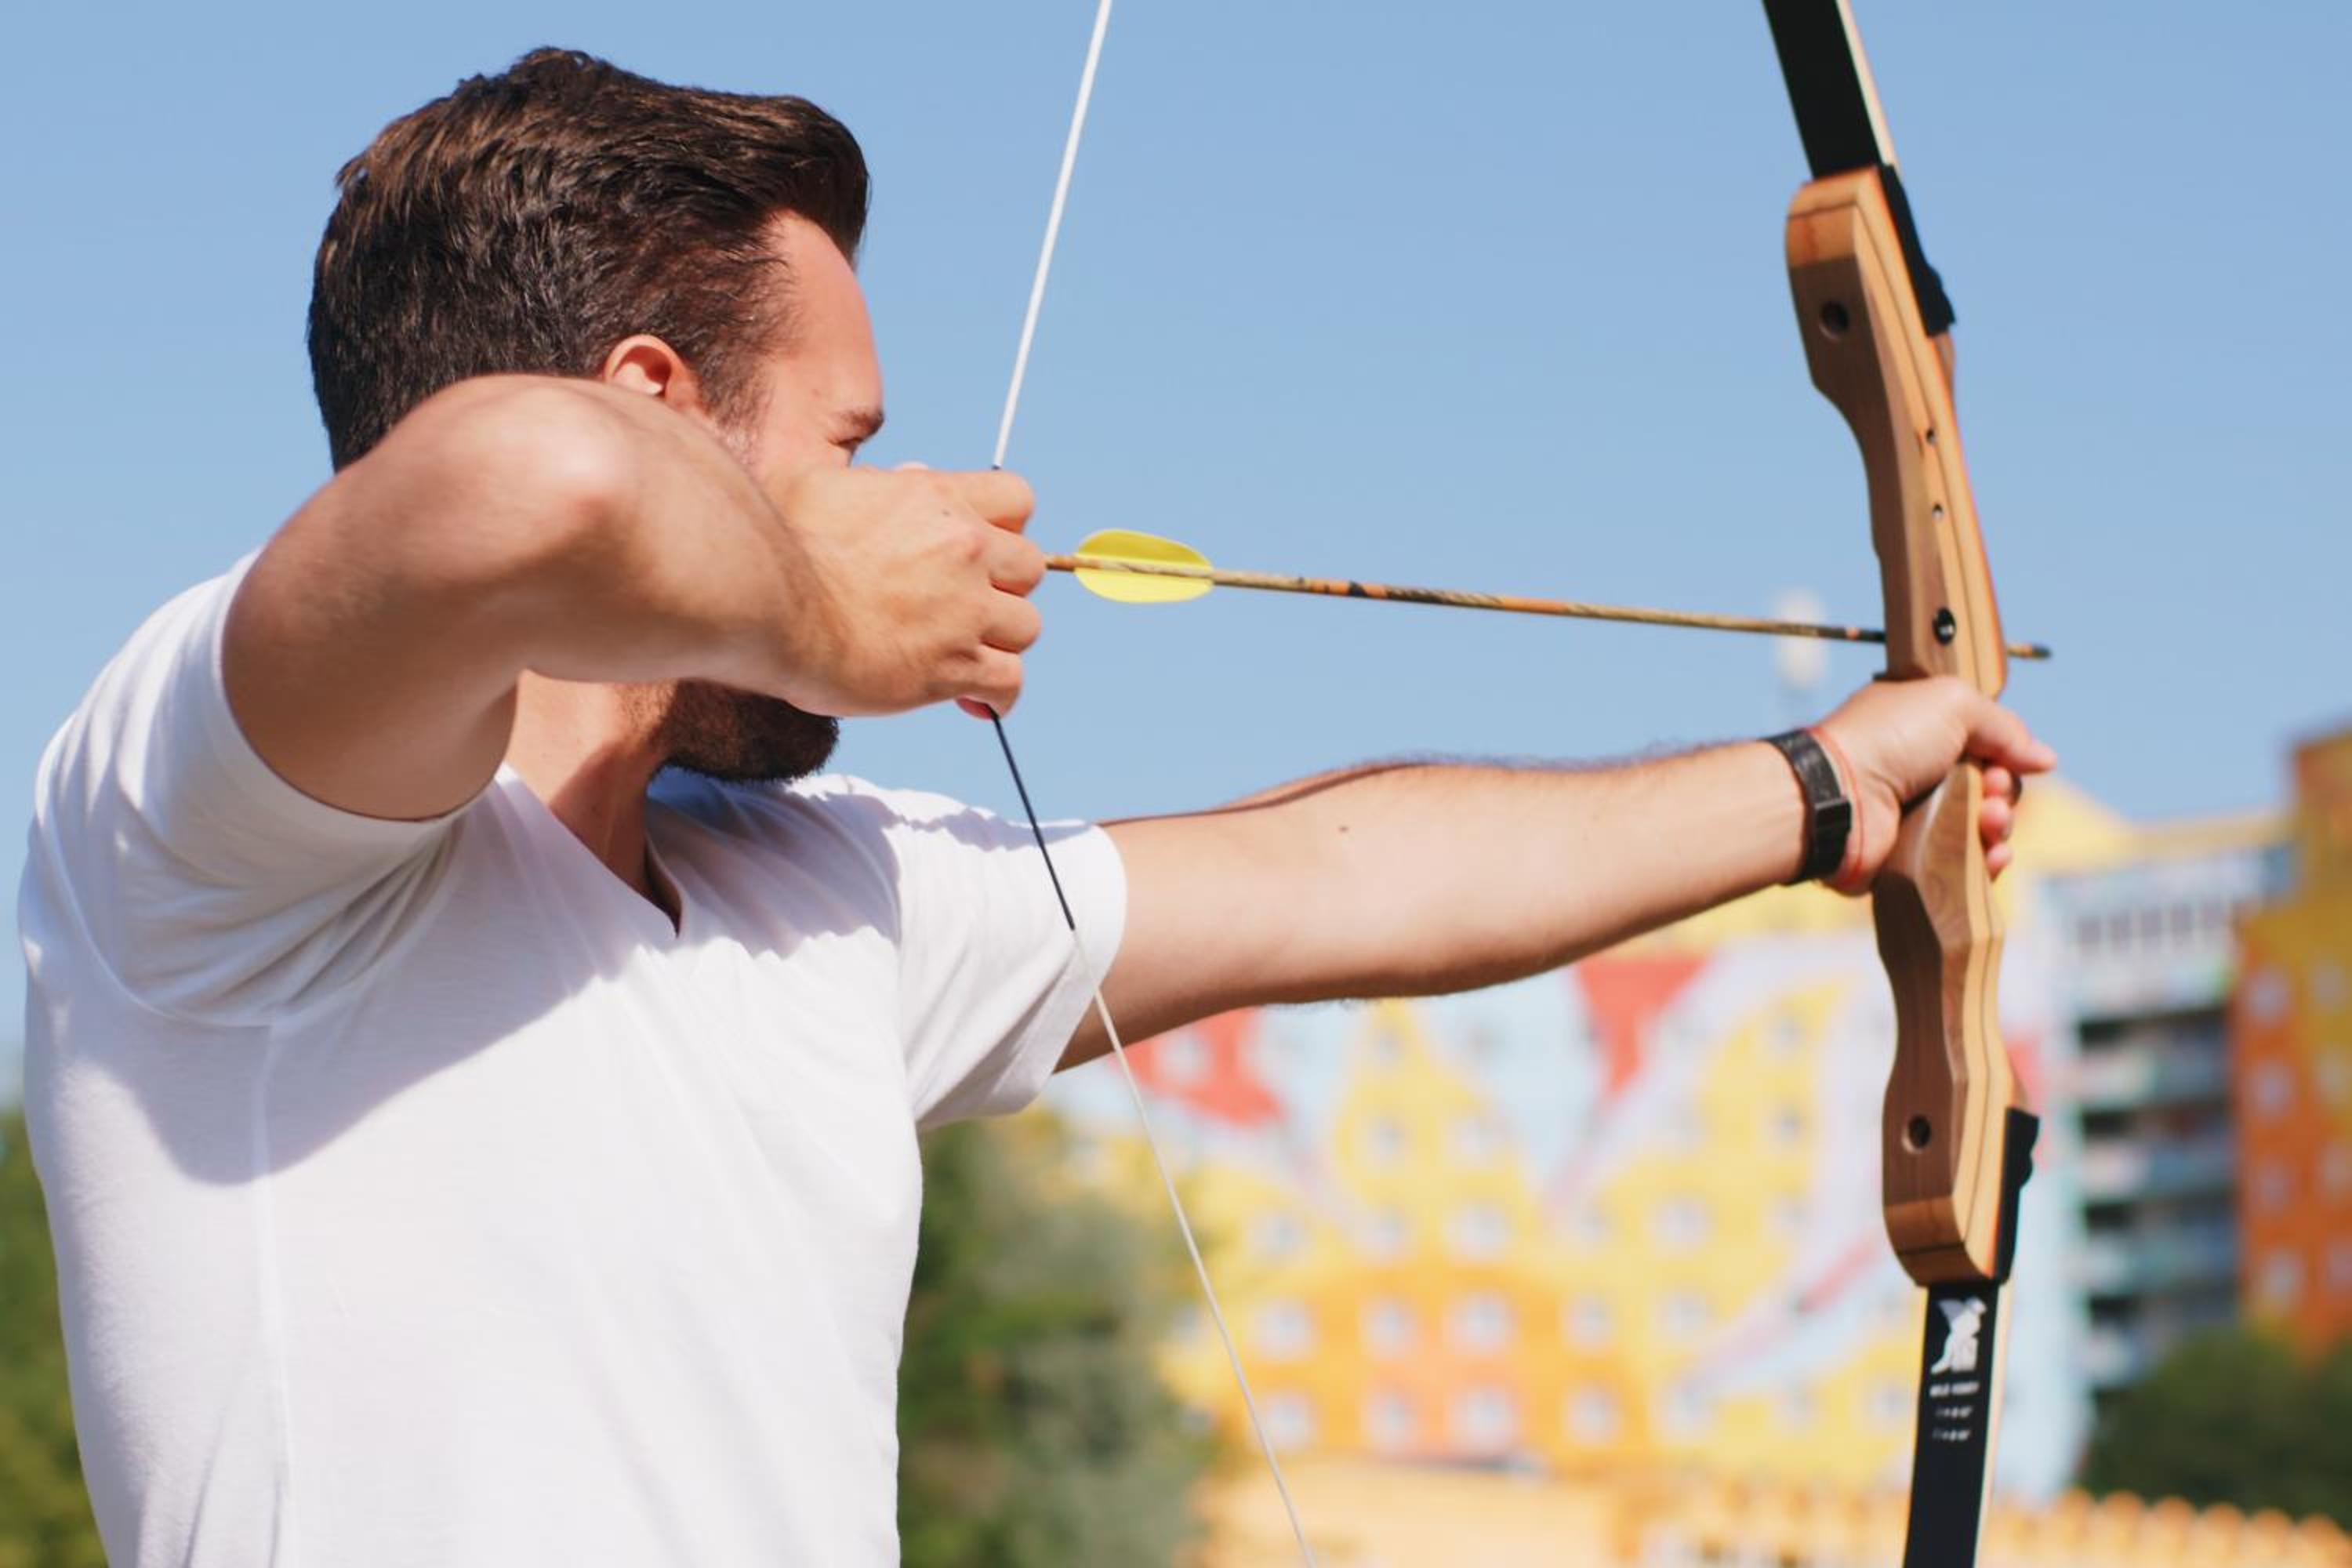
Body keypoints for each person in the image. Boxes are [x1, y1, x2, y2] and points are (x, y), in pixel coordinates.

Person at [17, 47, 2053, 1568]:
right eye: (850, 443)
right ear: (652, 404)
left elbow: (1337, 878)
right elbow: (514, 492)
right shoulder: (224, 842)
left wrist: (1829, 782)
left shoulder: (819, 904)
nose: (915, 497)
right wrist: (826, 606)